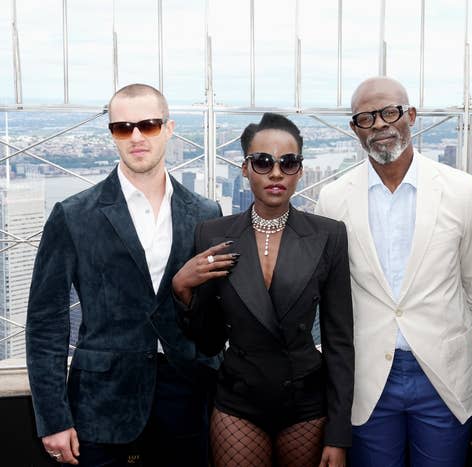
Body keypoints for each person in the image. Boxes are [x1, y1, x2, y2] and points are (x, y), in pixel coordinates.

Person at [25, 83, 222, 466]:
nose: (135, 136)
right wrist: (53, 418)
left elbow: (215, 314)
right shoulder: (74, 214)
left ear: (169, 128)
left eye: (147, 125)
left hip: (186, 397)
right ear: (112, 134)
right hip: (100, 403)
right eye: (122, 127)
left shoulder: (204, 212)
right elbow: (46, 323)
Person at [315, 77, 472, 466]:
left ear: (410, 116)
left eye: (390, 112)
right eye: (366, 118)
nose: (379, 124)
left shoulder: (463, 192)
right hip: (368, 378)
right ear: (354, 129)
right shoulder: (331, 199)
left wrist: (442, 334)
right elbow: (333, 294)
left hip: (443, 376)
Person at [173, 112, 354, 467]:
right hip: (238, 400)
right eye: (262, 162)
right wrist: (182, 290)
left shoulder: (329, 235)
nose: (275, 173)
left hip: (305, 400)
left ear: (300, 170)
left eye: (288, 163)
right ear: (245, 169)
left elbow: (340, 342)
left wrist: (339, 433)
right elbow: (208, 342)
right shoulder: (212, 234)